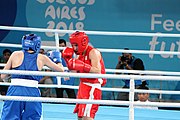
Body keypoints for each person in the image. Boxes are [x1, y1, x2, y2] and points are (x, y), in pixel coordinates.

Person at [0, 33, 64, 120]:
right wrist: (57, 59)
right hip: (32, 92)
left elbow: (3, 76)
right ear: (37, 44)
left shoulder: (15, 54)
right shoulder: (41, 58)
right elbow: (61, 70)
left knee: (9, 117)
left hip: (15, 91)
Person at [62, 31, 107, 120]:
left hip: (92, 87)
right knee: (80, 116)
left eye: (76, 45)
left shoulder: (93, 52)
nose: (74, 48)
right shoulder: (79, 55)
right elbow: (75, 72)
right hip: (83, 86)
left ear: (83, 42)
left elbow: (97, 71)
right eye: (73, 45)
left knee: (87, 117)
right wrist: (68, 61)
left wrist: (83, 66)